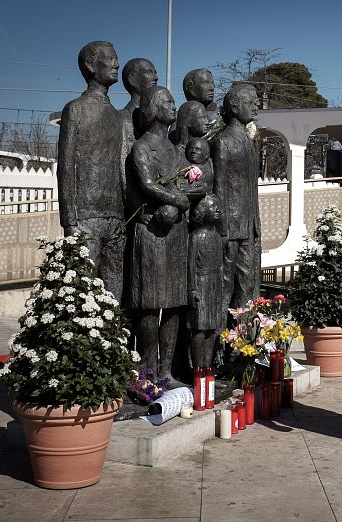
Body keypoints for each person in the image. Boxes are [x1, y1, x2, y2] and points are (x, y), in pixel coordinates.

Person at [128, 85, 191, 387]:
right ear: (153, 109)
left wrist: (181, 200)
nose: (173, 105)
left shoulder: (175, 151)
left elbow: (185, 184)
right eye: (167, 102)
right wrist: (176, 200)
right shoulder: (142, 148)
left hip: (175, 233)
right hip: (152, 232)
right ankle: (147, 370)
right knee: (151, 304)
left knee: (174, 303)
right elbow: (147, 184)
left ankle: (167, 371)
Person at [57, 41, 126, 300]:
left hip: (116, 218)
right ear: (90, 65)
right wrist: (69, 220)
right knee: (82, 296)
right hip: (85, 218)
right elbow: (65, 167)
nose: (116, 64)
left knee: (113, 299)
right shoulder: (75, 109)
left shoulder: (117, 116)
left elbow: (121, 166)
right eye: (110, 58)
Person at [211, 83, 261, 310]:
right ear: (234, 105)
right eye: (251, 102)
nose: (256, 106)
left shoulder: (249, 141)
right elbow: (219, 186)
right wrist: (222, 228)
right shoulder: (223, 142)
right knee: (224, 288)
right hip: (230, 228)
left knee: (247, 285)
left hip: (248, 227)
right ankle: (221, 342)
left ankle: (241, 338)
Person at [187, 194, 226, 368]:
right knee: (200, 328)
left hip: (214, 285)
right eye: (212, 207)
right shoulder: (196, 236)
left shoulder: (217, 237)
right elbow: (190, 264)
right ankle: (198, 369)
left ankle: (207, 368)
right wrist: (192, 289)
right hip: (200, 284)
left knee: (211, 329)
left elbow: (220, 266)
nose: (217, 210)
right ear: (202, 212)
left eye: (218, 206)